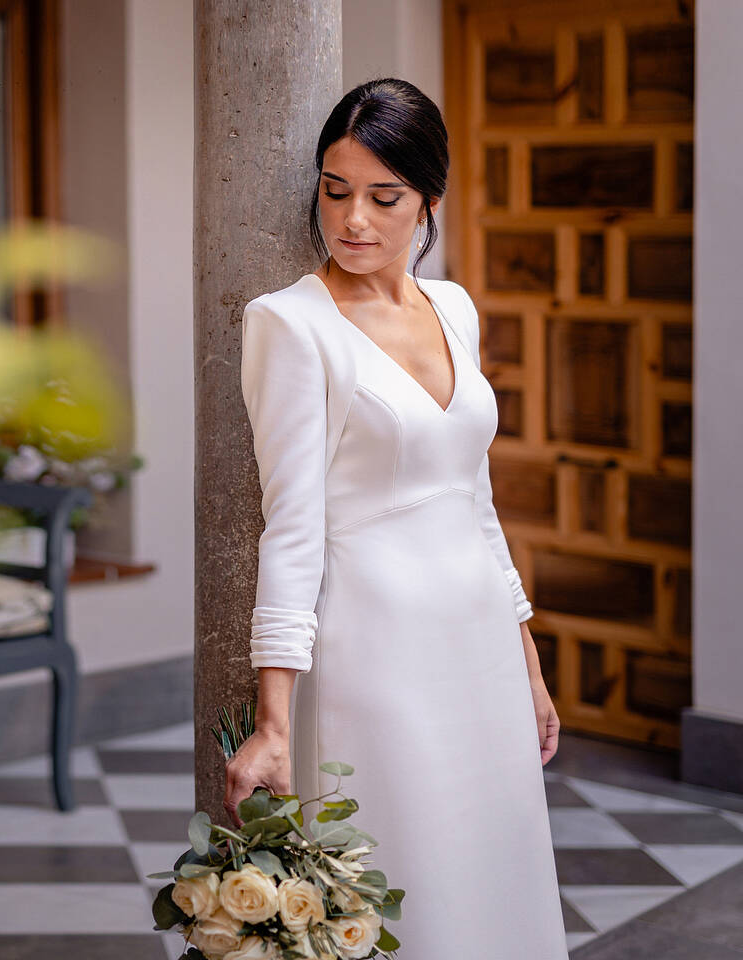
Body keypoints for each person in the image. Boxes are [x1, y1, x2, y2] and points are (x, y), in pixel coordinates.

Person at [225, 78, 569, 958]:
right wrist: (274, 722)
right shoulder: (289, 324)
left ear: (429, 202)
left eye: (385, 198)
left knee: (494, 877)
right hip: (377, 654)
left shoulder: (455, 307)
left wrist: (526, 660)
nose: (353, 220)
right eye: (335, 191)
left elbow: (475, 502)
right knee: (408, 889)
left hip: (479, 645)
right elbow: (290, 528)